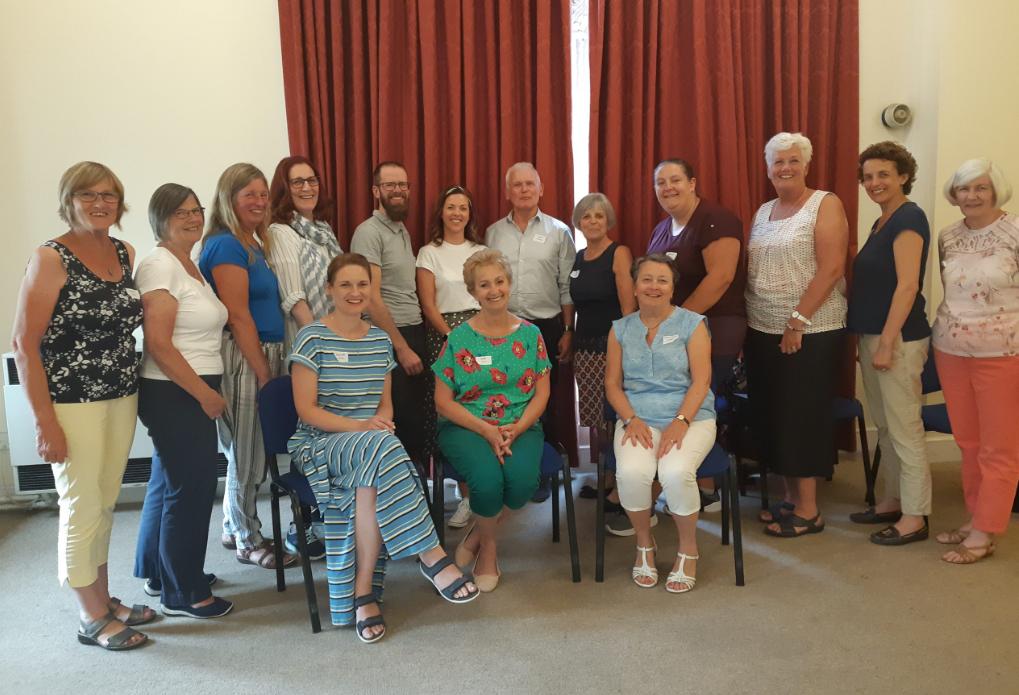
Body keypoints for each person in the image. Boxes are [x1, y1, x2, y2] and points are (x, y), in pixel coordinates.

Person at [289, 253, 479, 642]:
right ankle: (430, 553)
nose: (355, 292)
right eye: (345, 284)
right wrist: (364, 427)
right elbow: (306, 411)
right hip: (322, 443)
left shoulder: (379, 340)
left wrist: (378, 426)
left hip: (370, 448)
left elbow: (384, 405)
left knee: (374, 468)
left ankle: (361, 595)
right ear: (329, 289)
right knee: (382, 447)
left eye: (362, 285)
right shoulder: (311, 337)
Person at [12, 161, 150, 650]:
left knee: (106, 500)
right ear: (68, 200)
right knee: (80, 504)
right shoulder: (51, 257)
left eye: (108, 194)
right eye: (87, 194)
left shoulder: (124, 251)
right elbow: (24, 343)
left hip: (120, 393)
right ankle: (89, 616)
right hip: (71, 401)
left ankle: (105, 596)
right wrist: (44, 422)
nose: (99, 203)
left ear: (119, 200)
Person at [133, 184, 232, 617]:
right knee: (190, 489)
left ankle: (162, 572)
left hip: (186, 386)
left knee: (167, 482)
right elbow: (158, 343)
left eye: (196, 210)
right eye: (181, 213)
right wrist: (205, 394)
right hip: (176, 389)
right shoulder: (159, 265)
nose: (193, 218)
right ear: (161, 218)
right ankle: (183, 592)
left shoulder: (187, 265)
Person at [744, 132, 849, 538]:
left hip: (810, 329)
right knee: (775, 415)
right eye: (777, 162)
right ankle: (789, 498)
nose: (784, 168)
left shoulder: (825, 203)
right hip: (761, 328)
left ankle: (809, 510)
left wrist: (796, 321)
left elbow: (832, 267)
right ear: (768, 169)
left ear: (806, 165)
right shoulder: (764, 210)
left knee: (801, 415)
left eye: (792, 161)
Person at [434, 249, 552, 592]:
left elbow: (542, 394)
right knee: (486, 482)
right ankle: (489, 548)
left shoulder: (531, 335)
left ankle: (477, 533)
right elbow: (442, 402)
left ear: (510, 284)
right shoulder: (458, 338)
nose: (493, 290)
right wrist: (487, 430)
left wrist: (516, 428)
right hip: (467, 426)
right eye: (484, 285)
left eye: (499, 281)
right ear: (473, 292)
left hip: (521, 423)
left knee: (522, 483)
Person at [198, 163, 295, 568]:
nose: (258, 201)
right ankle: (247, 539)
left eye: (262, 193)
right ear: (228, 199)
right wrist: (263, 372)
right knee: (248, 453)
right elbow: (238, 317)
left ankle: (231, 524)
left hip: (263, 350)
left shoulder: (253, 242)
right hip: (244, 355)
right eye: (248, 194)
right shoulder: (226, 245)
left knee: (248, 448)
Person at [604, 254, 716, 592]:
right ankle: (644, 543)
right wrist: (630, 419)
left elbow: (701, 380)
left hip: (691, 416)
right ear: (635, 286)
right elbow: (612, 384)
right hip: (637, 418)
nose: (654, 286)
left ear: (672, 287)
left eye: (662, 280)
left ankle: (688, 548)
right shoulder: (620, 329)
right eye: (647, 279)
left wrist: (681, 420)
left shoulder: (692, 324)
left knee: (674, 472)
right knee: (633, 473)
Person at [932, 158, 1019, 564]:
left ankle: (985, 532)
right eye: (964, 188)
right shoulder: (948, 236)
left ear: (995, 190)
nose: (971, 196)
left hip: (1004, 353)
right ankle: (975, 517)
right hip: (950, 348)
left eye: (981, 187)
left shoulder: (1015, 231)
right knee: (968, 442)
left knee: (999, 447)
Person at [847, 142, 932, 545]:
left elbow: (908, 285)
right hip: (872, 334)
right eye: (867, 177)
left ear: (903, 176)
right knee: (885, 425)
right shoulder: (882, 221)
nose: (874, 183)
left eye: (883, 174)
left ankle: (915, 516)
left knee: (904, 427)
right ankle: (894, 498)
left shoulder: (909, 218)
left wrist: (885, 342)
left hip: (896, 338)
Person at [485, 162, 576, 501]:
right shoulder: (493, 234)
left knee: (544, 402)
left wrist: (568, 328)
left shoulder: (559, 231)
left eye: (529, 184)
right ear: (507, 192)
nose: (523, 190)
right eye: (517, 185)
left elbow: (566, 284)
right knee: (505, 398)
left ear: (541, 190)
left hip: (547, 327)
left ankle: (541, 473)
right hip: (503, 327)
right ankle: (507, 467)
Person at [265, 155, 342, 559]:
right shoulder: (281, 232)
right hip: (309, 344)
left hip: (336, 340)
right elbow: (293, 296)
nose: (307, 188)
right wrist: (321, 341)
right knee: (308, 432)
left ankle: (333, 515)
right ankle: (304, 525)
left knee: (333, 429)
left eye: (312, 180)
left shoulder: (322, 230)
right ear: (285, 190)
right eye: (297, 183)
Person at [351, 162, 429, 472]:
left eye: (402, 185)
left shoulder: (400, 229)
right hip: (390, 338)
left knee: (416, 423)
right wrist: (401, 346)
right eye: (390, 185)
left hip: (413, 329)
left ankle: (417, 495)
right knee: (399, 421)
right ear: (376, 191)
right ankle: (399, 500)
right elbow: (369, 297)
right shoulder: (368, 233)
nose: (397, 191)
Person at [416, 184, 486, 528]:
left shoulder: (480, 250)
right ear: (441, 213)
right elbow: (428, 304)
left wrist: (478, 338)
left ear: (470, 214)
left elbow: (491, 294)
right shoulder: (429, 252)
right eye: (451, 207)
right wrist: (455, 339)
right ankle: (462, 495)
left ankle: (481, 488)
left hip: (482, 334)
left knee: (480, 404)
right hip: (444, 337)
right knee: (450, 411)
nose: (457, 213)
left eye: (463, 207)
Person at [647, 159, 747, 384]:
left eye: (675, 180)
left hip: (714, 328)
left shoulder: (717, 220)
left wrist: (675, 321)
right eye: (660, 183)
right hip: (671, 332)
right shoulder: (660, 230)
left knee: (700, 404)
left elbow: (721, 278)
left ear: (692, 184)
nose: (668, 187)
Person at [568, 193, 635, 508]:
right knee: (597, 419)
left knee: (615, 417)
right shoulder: (579, 257)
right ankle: (608, 478)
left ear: (608, 220)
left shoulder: (618, 253)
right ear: (578, 222)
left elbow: (628, 306)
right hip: (584, 349)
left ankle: (622, 486)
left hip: (611, 348)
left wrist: (624, 349)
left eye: (598, 215)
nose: (592, 221)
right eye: (586, 216)